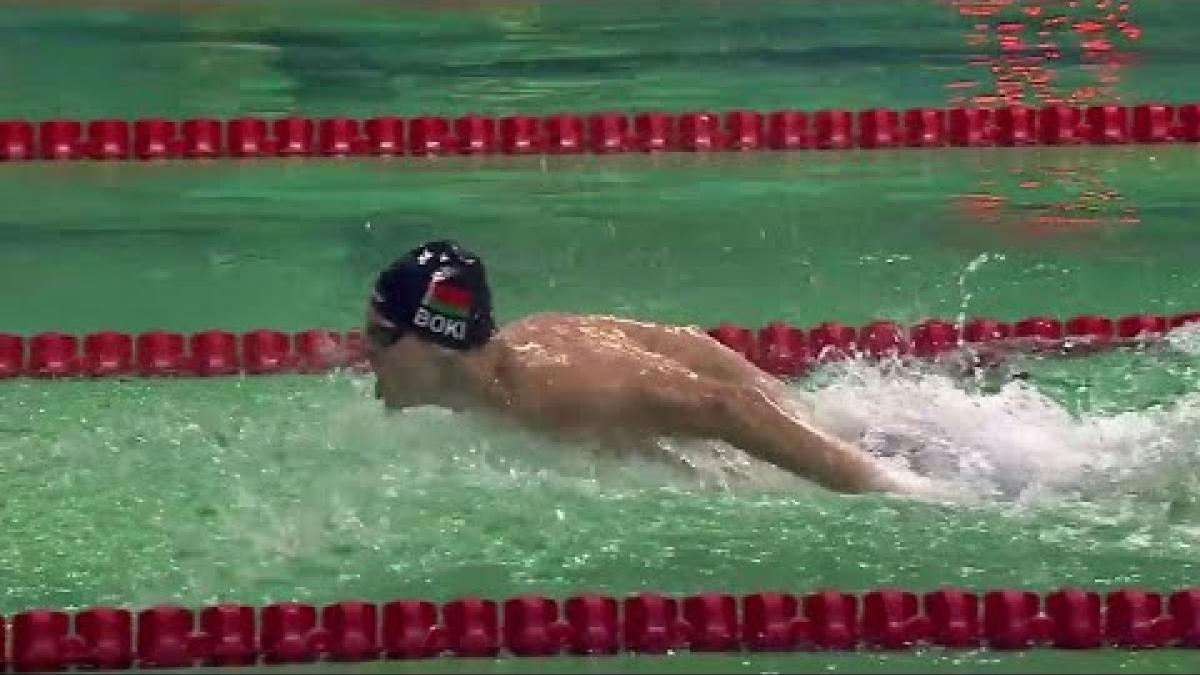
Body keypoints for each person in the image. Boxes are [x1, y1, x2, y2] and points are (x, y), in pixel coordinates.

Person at [365, 240, 905, 494]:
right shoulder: (495, 379)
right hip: (795, 418)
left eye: (380, 334)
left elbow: (727, 406)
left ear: (432, 344)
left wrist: (887, 489)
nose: (367, 351)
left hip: (796, 432)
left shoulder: (550, 388)